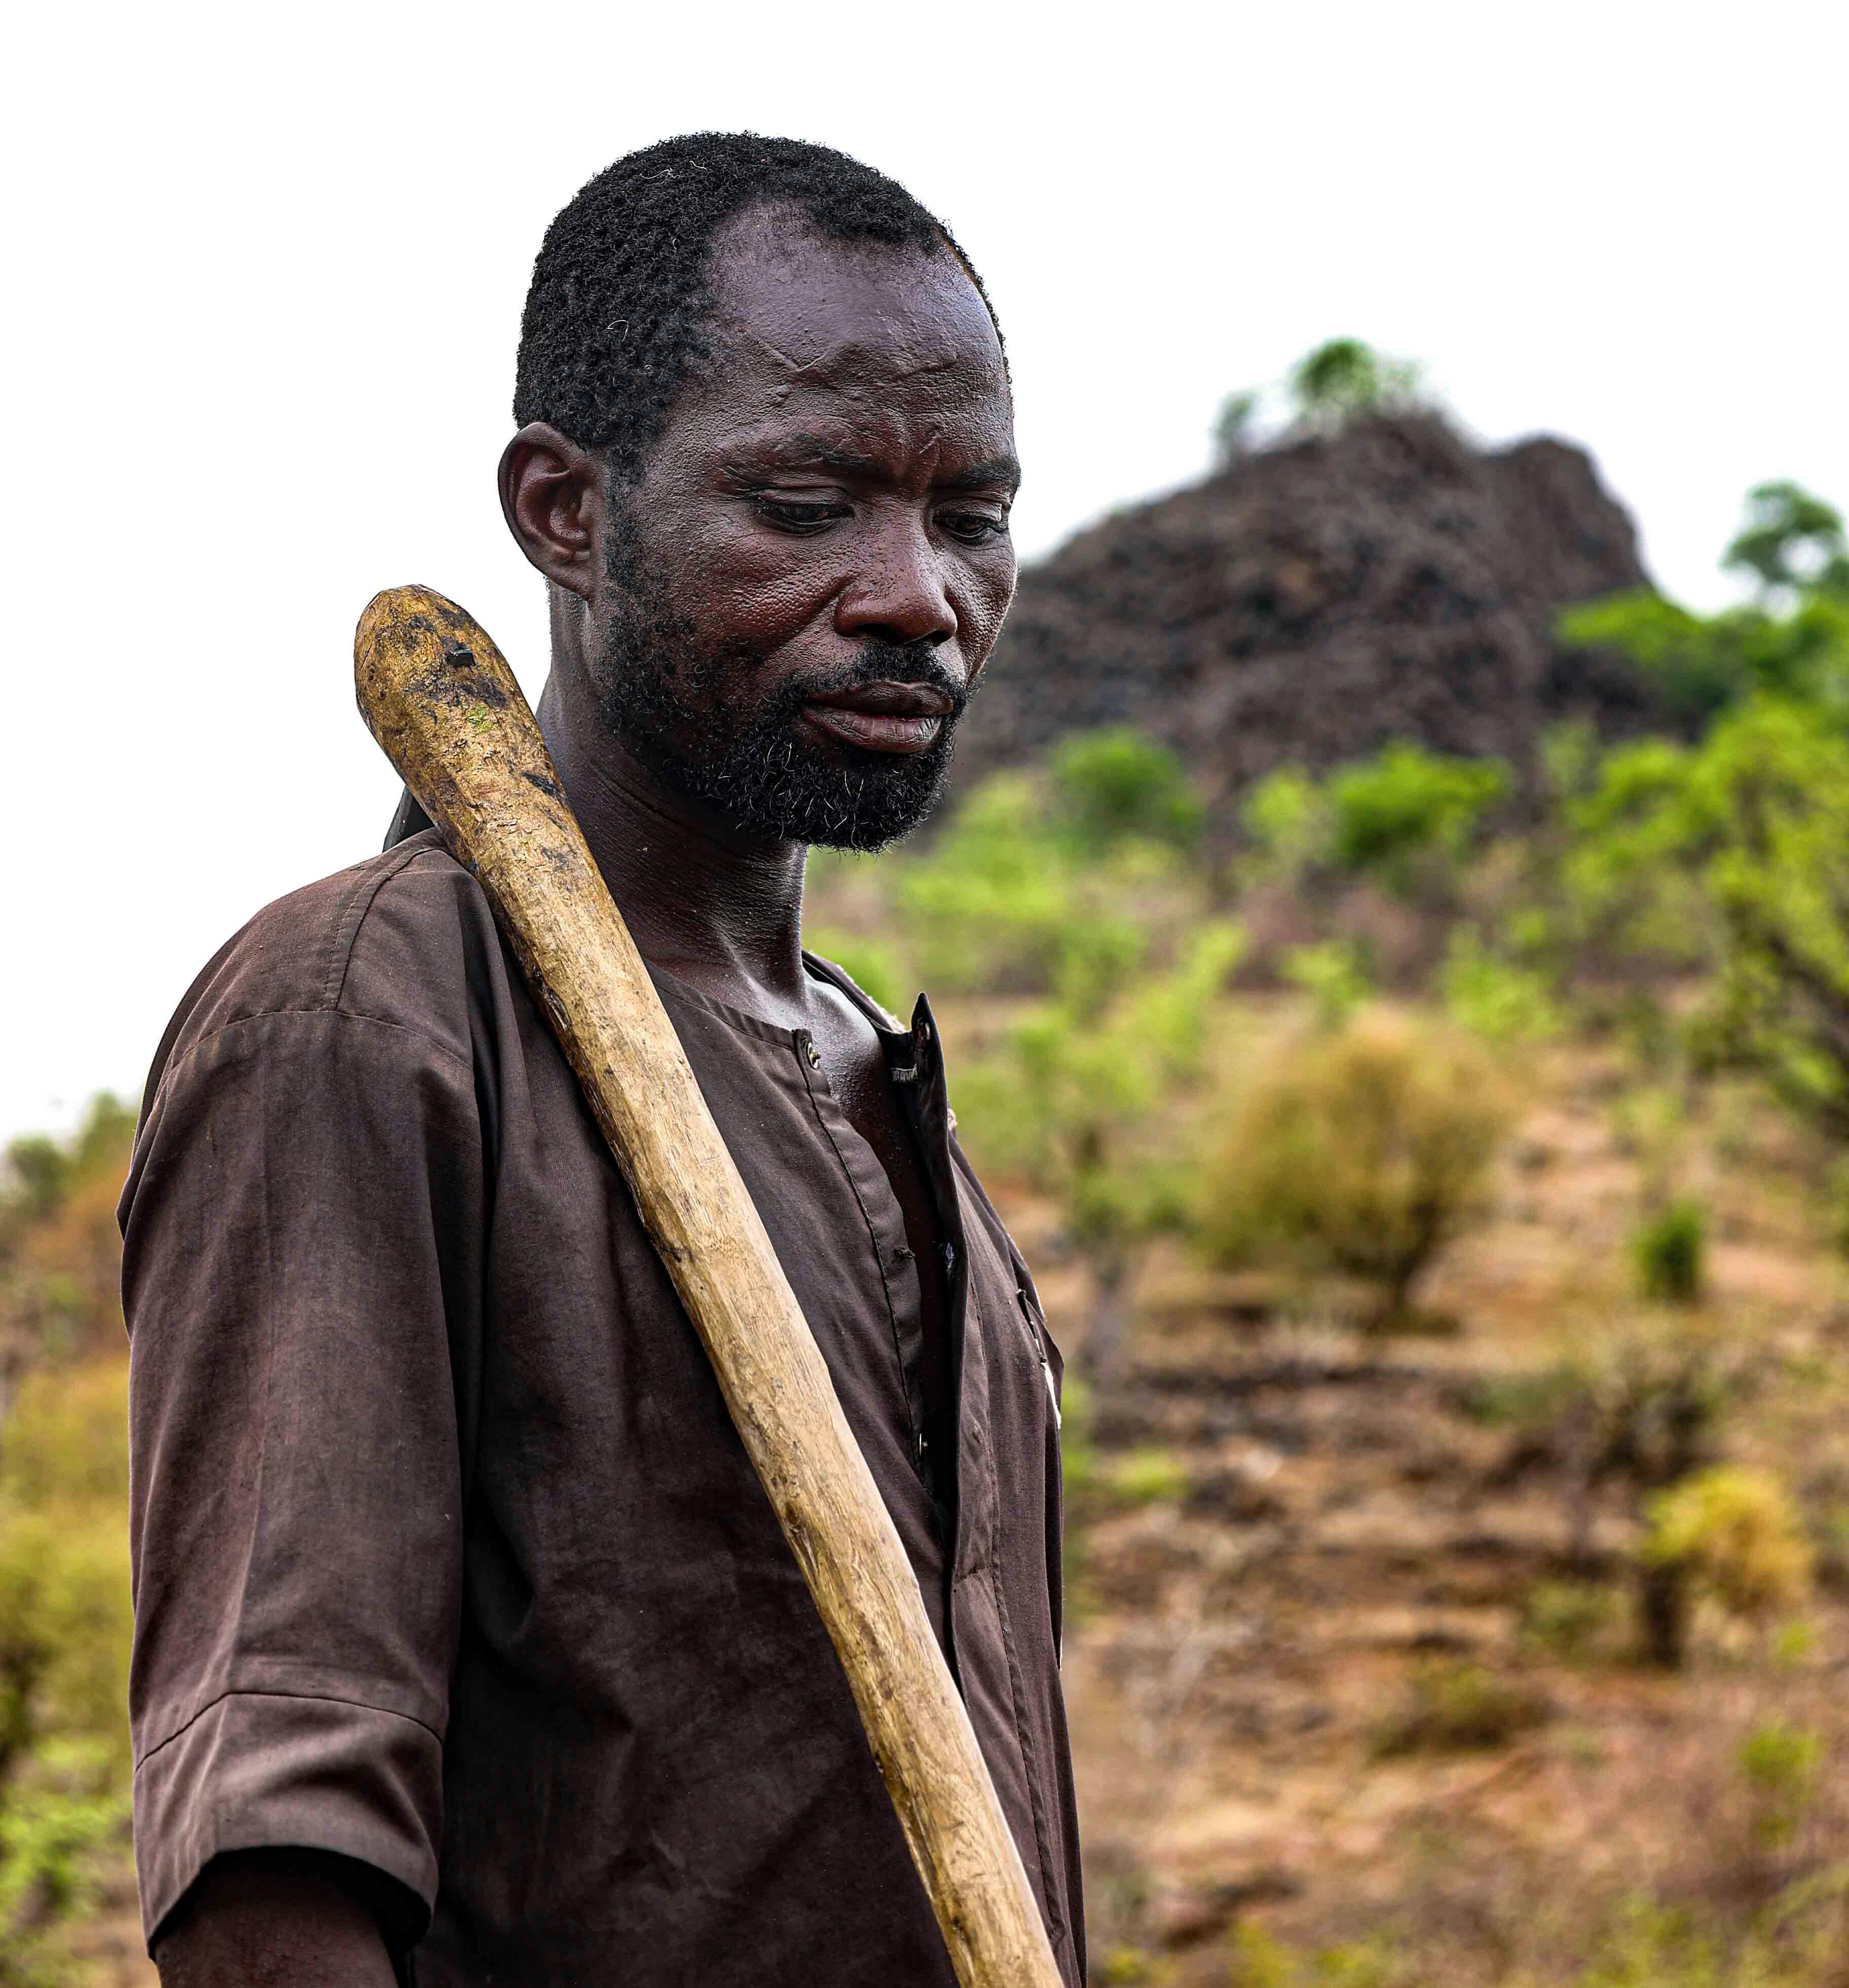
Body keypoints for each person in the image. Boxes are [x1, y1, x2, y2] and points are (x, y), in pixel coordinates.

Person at [121, 134, 1083, 1987]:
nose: (917, 594)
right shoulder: (367, 1018)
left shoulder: (888, 1088)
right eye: (806, 503)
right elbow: (274, 1875)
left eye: (972, 517)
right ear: (566, 511)